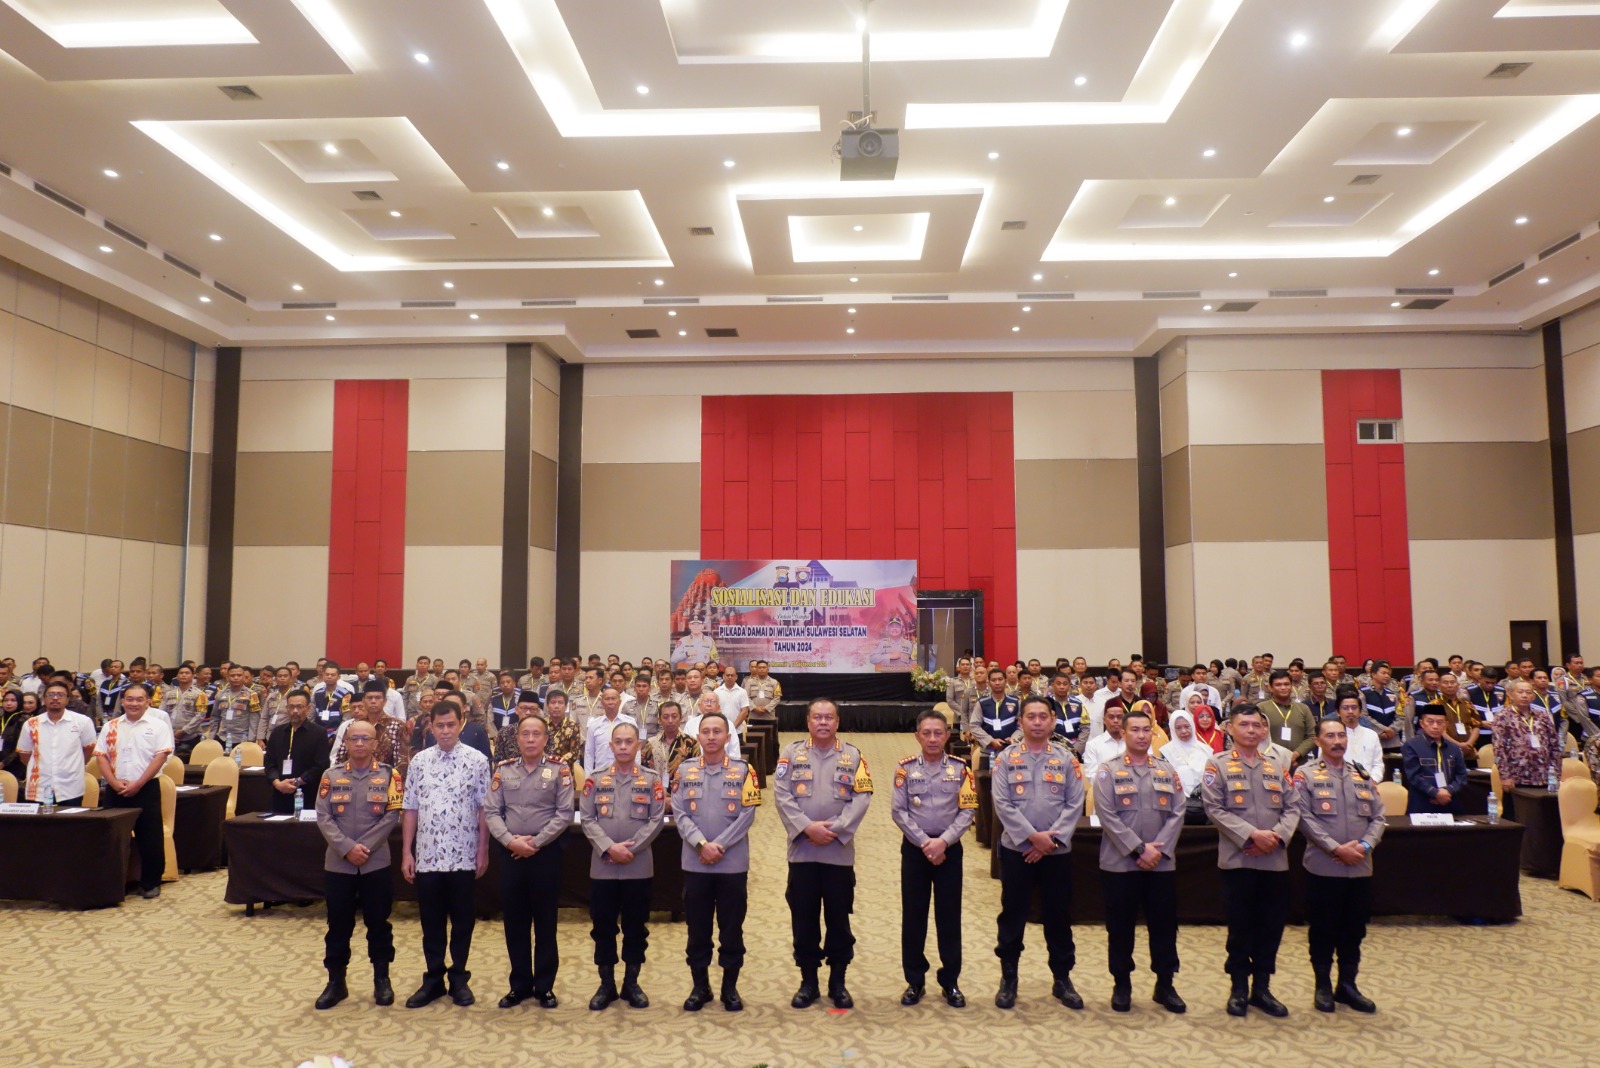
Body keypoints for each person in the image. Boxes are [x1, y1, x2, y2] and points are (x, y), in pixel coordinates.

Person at [773, 698, 873, 1010]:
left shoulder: (853, 756)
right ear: (808, 722)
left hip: (837, 853)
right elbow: (781, 794)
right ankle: (809, 982)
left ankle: (838, 982)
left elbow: (862, 796)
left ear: (837, 722)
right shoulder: (791, 754)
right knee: (803, 920)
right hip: (802, 853)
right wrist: (806, 827)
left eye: (829, 717)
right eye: (817, 717)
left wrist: (836, 829)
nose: (823, 723)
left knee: (838, 920)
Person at [1201, 704, 1299, 1018]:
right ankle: (1239, 988)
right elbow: (1214, 808)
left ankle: (1262, 988)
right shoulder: (1217, 764)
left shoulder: (1277, 765)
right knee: (1240, 927)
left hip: (1274, 860)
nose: (1251, 730)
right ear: (1230, 729)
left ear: (1264, 729)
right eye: (1244, 725)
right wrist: (1252, 835)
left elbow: (1293, 807)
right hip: (1238, 859)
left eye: (1257, 725)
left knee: (1271, 927)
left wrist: (1277, 837)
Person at [992, 695, 1086, 1011]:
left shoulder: (1066, 759)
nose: (1036, 722)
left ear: (1052, 721)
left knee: (1058, 916)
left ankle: (1062, 979)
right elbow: (1002, 804)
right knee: (1012, 915)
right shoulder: (1006, 759)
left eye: (1042, 716)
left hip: (1056, 853)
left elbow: (1074, 804)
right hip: (1016, 852)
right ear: (1020, 722)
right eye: (1030, 716)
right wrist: (1032, 838)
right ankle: (1009, 978)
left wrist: (1050, 842)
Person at [1092, 705, 1186, 1014]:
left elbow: (1178, 811)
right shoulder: (1108, 770)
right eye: (1135, 730)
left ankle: (1165, 984)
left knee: (1164, 926)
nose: (1142, 735)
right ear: (1123, 733)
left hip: (1161, 863)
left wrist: (1157, 850)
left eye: (1146, 730)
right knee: (1120, 927)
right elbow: (1107, 815)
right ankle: (1122, 983)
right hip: (1120, 864)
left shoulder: (1166, 769)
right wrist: (1138, 849)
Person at [401, 700, 491, 1008]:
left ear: (461, 723)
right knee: (431, 921)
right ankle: (433, 979)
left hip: (464, 853)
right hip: (427, 856)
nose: (445, 731)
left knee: (463, 921)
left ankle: (459, 978)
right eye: (439, 726)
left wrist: (483, 849)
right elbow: (410, 808)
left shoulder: (477, 760)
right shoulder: (419, 761)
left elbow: (484, 808)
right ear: (431, 726)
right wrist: (407, 852)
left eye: (451, 724)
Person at [1293, 717, 1384, 1014]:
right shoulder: (1305, 775)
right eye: (1330, 736)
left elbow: (1378, 817)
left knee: (1354, 929)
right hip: (1324, 866)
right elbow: (1304, 818)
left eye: (1341, 736)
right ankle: (1322, 985)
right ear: (1318, 741)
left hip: (1360, 866)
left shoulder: (1360, 774)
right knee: (1323, 928)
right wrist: (1335, 848)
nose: (1337, 742)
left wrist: (1365, 846)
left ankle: (1347, 985)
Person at [672, 711, 761, 1013]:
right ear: (698, 736)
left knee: (731, 929)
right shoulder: (684, 771)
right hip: (695, 863)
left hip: (731, 864)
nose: (711, 737)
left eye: (717, 731)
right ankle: (700, 987)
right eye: (706, 731)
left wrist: (718, 845)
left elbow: (748, 814)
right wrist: (701, 844)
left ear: (727, 736)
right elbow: (679, 813)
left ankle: (729, 988)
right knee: (697, 930)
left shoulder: (744, 771)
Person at [313, 719, 404, 1010]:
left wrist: (364, 848)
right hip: (339, 864)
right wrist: (347, 848)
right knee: (338, 924)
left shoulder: (390, 775)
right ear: (346, 743)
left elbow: (392, 815)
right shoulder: (331, 775)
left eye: (366, 739)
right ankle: (336, 982)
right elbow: (323, 816)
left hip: (375, 863)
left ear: (375, 743)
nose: (360, 743)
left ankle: (382, 979)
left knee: (379, 923)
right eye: (355, 739)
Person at [487, 714, 574, 1010]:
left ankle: (544, 987)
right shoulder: (503, 770)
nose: (531, 739)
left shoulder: (560, 770)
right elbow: (492, 812)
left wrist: (535, 843)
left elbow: (564, 813)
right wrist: (511, 841)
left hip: (545, 855)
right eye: (526, 734)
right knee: (515, 923)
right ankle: (519, 985)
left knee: (546, 923)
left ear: (546, 739)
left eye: (537, 734)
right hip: (511, 855)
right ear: (517, 739)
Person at [891, 710, 977, 1008]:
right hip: (916, 850)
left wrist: (943, 842)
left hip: (949, 850)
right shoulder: (904, 769)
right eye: (926, 733)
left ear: (947, 736)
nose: (932, 739)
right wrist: (925, 843)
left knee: (949, 917)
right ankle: (914, 981)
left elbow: (968, 810)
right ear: (917, 736)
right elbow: (899, 811)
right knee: (914, 916)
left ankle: (950, 981)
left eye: (938, 733)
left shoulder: (961, 768)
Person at [580, 721, 666, 1010]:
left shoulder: (651, 779)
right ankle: (606, 985)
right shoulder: (595, 778)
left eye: (629, 741)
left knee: (635, 927)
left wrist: (630, 849)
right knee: (603, 928)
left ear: (638, 745)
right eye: (618, 742)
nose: (624, 746)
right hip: (603, 866)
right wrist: (609, 847)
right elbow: (587, 818)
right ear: (611, 746)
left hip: (637, 865)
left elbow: (656, 820)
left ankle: (631, 983)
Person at [94, 682, 173, 899]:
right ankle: (112, 883)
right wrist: (113, 782)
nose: (134, 703)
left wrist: (138, 783)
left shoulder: (158, 726)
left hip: (146, 788)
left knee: (150, 838)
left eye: (139, 699)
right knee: (112, 839)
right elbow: (101, 756)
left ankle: (150, 883)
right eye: (129, 699)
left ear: (148, 702)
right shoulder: (111, 726)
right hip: (115, 789)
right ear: (123, 701)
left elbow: (161, 757)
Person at [16, 679, 97, 806]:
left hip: (71, 787)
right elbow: (24, 755)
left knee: (70, 819)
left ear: (68, 699)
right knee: (39, 819)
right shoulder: (31, 724)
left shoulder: (82, 721)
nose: (55, 698)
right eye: (51, 694)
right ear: (44, 699)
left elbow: (88, 749)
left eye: (60, 695)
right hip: (39, 787)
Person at [1493, 679, 1562, 817]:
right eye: (1520, 692)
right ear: (1510, 695)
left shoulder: (1542, 716)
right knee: (1517, 816)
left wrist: (1556, 773)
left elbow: (1554, 745)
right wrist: (1505, 776)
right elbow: (1499, 749)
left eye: (1528, 692)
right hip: (1517, 778)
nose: (1524, 695)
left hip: (1543, 777)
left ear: (1533, 696)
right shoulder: (1502, 716)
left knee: (1543, 818)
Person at [264, 688, 332, 815]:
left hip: (307, 793)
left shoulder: (318, 733)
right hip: (280, 792)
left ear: (308, 708)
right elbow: (269, 763)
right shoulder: (277, 732)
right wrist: (277, 783)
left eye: (299, 707)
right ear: (287, 708)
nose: (295, 711)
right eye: (291, 707)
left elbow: (321, 765)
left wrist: (298, 781)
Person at [1401, 706, 1471, 815]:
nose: (1435, 726)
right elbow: (1414, 776)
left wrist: (1448, 791)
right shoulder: (1411, 746)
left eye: (1439, 722)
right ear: (1422, 723)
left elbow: (1461, 775)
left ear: (1446, 724)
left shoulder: (1454, 748)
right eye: (1430, 722)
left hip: (1449, 801)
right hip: (1422, 803)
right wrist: (1435, 793)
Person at [332, 681, 410, 775]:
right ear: (363, 701)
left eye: (378, 698)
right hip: (353, 779)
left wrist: (394, 782)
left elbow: (402, 763)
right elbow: (341, 758)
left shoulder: (397, 726)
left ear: (385, 701)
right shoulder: (353, 726)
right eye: (369, 698)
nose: (373, 701)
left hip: (386, 780)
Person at [1257, 670, 1318, 760]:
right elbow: (1256, 735)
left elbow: (1312, 736)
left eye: (1286, 684)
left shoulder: (1303, 708)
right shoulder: (1261, 708)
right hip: (1270, 761)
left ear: (1291, 686)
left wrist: (1297, 754)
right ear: (1270, 688)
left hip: (1299, 762)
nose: (1283, 688)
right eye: (1278, 685)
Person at [1325, 688, 1383, 777]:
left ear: (1360, 711)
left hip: (1369, 782)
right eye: (1345, 708)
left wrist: (1373, 780)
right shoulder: (1330, 736)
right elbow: (1325, 764)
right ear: (1338, 712)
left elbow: (1378, 765)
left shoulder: (1371, 735)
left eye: (1354, 707)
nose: (1350, 711)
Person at [972, 667, 1021, 764]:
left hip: (1011, 751)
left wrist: (1014, 738)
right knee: (986, 774)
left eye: (1000, 679)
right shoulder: (982, 702)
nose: (997, 683)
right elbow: (974, 726)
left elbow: (1022, 726)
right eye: (994, 680)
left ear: (1005, 681)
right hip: (987, 751)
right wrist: (990, 740)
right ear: (989, 682)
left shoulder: (1015, 701)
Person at [583, 687, 638, 774]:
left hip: (625, 773)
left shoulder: (630, 722)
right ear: (602, 703)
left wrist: (636, 773)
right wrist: (588, 776)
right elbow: (589, 753)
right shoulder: (594, 724)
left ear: (620, 702)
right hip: (600, 773)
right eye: (607, 699)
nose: (610, 702)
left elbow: (636, 750)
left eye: (613, 698)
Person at [161, 665, 210, 759]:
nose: (184, 675)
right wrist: (170, 733)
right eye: (181, 673)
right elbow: (162, 714)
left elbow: (200, 716)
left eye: (187, 673)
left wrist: (184, 731)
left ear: (193, 676)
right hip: (170, 736)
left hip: (191, 737)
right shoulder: (169, 694)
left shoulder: (200, 694)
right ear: (177, 676)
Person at [644, 700, 699, 782]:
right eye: (665, 717)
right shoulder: (651, 743)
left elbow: (698, 771)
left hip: (684, 787)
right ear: (659, 720)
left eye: (674, 716)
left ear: (681, 718)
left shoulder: (691, 743)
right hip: (657, 788)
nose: (670, 721)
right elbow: (645, 772)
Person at [1082, 704, 1127, 777]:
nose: (1116, 720)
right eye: (1111, 717)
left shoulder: (1133, 743)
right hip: (1104, 784)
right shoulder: (1093, 745)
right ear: (1104, 720)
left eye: (1119, 717)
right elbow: (1091, 775)